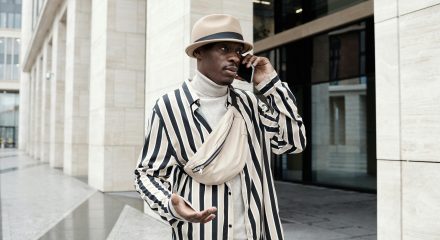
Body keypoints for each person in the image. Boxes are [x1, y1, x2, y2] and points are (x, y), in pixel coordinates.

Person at [134, 14, 306, 240]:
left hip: (255, 233)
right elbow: (147, 174)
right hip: (200, 233)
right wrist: (170, 204)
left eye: (237, 51)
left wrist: (270, 83)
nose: (234, 57)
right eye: (224, 49)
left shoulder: (250, 104)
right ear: (199, 52)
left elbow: (293, 143)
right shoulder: (169, 107)